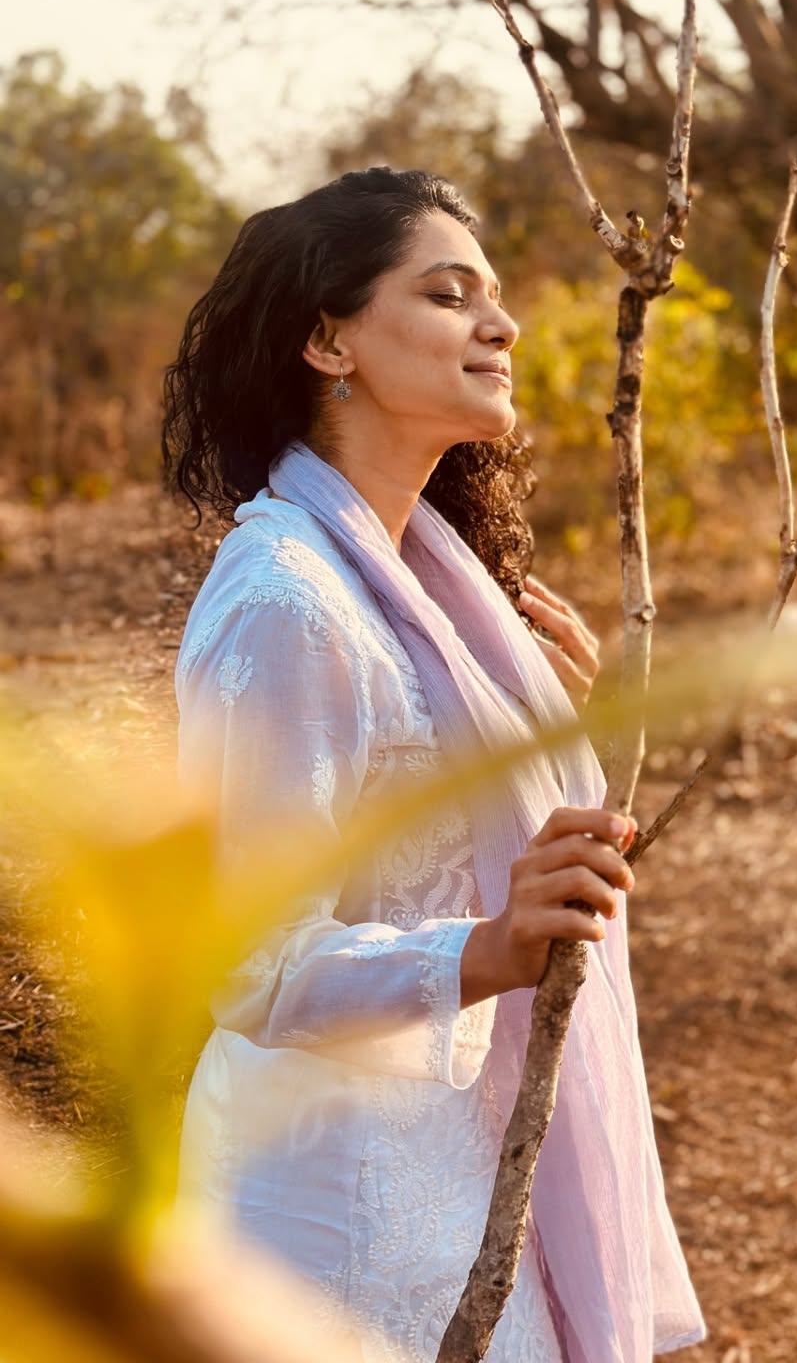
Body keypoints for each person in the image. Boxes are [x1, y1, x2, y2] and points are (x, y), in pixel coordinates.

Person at [163, 167, 704, 1362]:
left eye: (494, 298)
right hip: (336, 1220)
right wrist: (489, 948)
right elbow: (247, 959)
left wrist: (552, 731)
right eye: (450, 294)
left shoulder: (442, 594)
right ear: (326, 339)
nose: (500, 325)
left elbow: (470, 850)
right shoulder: (290, 603)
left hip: (461, 1172)